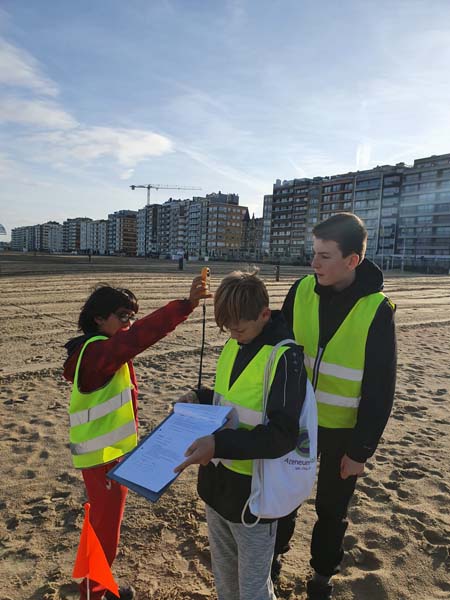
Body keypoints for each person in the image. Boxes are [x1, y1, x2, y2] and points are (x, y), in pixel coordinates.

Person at [273, 213, 397, 600]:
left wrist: (361, 451)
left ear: (352, 261)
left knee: (331, 510)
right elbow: (276, 346)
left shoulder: (377, 309)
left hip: (344, 433)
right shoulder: (301, 290)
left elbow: (381, 387)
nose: (314, 264)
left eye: (324, 256)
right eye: (313, 253)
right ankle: (273, 561)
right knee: (284, 500)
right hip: (294, 424)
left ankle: (321, 578)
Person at [64, 277, 210, 600]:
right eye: (123, 316)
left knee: (100, 531)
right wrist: (185, 307)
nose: (129, 324)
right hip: (103, 462)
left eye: (132, 316)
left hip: (111, 458)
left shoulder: (102, 353)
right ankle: (92, 593)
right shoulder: (97, 355)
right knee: (105, 539)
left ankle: (97, 586)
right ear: (99, 319)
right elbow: (139, 338)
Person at [174, 271, 307, 600]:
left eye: (241, 328)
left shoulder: (285, 357)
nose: (234, 335)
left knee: (252, 589)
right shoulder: (234, 345)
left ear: (264, 314)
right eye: (228, 328)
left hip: (254, 497)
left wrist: (218, 443)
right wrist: (199, 398)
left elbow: (282, 435)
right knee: (225, 580)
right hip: (217, 487)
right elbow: (227, 402)